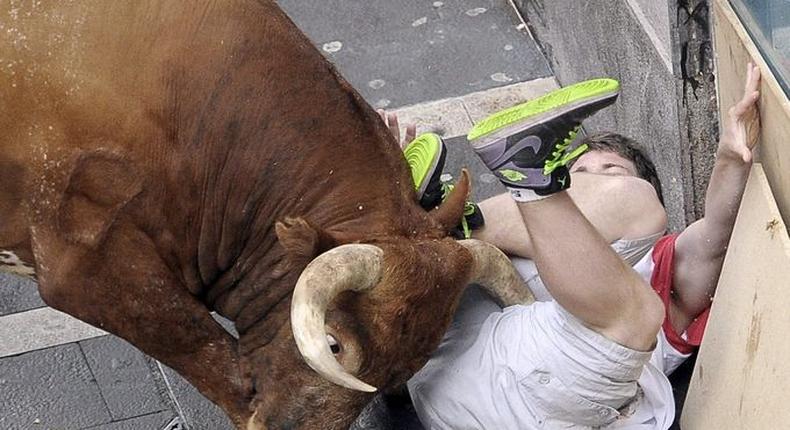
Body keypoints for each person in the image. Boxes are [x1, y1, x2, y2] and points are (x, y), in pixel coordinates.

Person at [383, 63, 762, 428]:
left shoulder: (661, 268)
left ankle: (439, 221)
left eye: (611, 172)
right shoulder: (514, 239)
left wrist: (731, 156)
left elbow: (717, 233)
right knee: (451, 270)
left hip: (538, 398)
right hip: (447, 365)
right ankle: (429, 219)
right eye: (577, 175)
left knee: (640, 289)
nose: (592, 182)